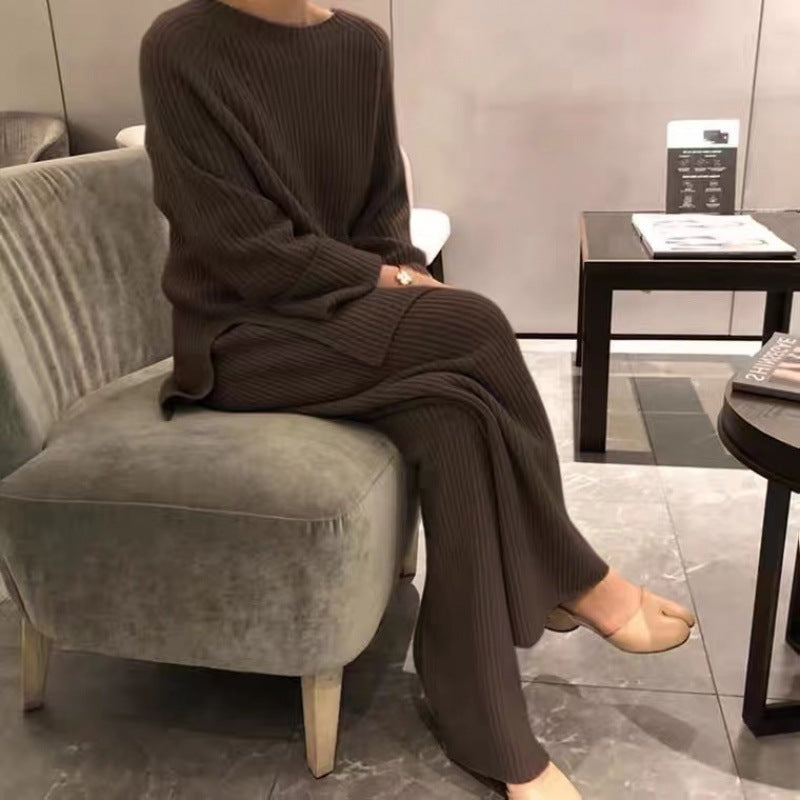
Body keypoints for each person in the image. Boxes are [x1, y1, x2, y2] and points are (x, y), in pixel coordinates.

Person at [139, 2, 696, 797]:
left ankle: (484, 719)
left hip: (336, 319)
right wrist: (388, 282)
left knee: (454, 414)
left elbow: (382, 212)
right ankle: (571, 572)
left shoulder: (360, 45)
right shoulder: (180, 46)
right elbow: (238, 248)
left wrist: (400, 274)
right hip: (240, 337)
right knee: (475, 323)